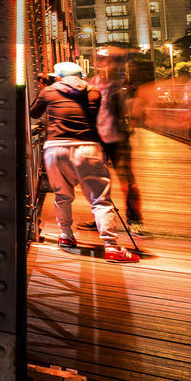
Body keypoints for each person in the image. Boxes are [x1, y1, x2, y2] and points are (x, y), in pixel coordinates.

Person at [29, 61, 139, 263]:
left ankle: (66, 237)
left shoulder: (49, 91)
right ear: (81, 75)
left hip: (56, 149)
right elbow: (92, 116)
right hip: (87, 146)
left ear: (58, 77)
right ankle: (111, 247)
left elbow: (33, 113)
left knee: (62, 195)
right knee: (100, 200)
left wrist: (45, 88)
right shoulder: (93, 92)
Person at [86, 47, 144, 235]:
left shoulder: (123, 86)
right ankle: (101, 219)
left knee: (128, 181)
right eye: (104, 60)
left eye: (113, 61)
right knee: (97, 182)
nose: (107, 65)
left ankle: (135, 220)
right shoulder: (92, 85)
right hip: (98, 140)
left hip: (119, 139)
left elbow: (135, 110)